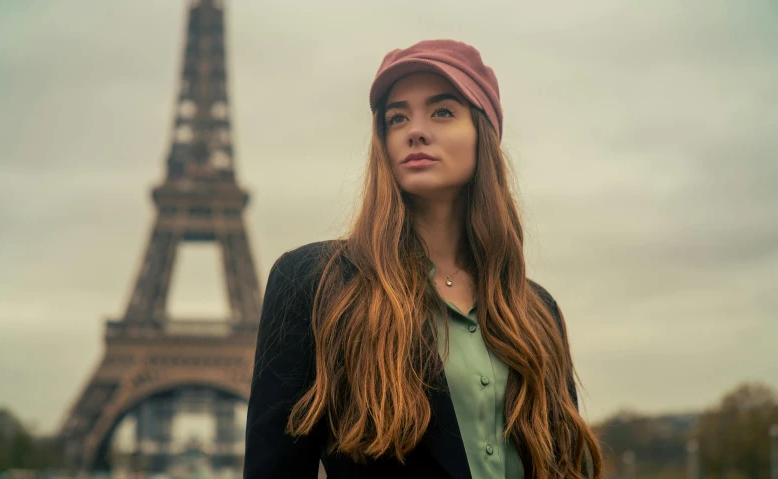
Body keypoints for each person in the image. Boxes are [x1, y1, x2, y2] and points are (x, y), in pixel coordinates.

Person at [243, 39, 603, 479]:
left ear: (483, 133)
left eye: (442, 111)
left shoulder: (537, 311)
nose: (415, 130)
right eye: (397, 118)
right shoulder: (315, 284)